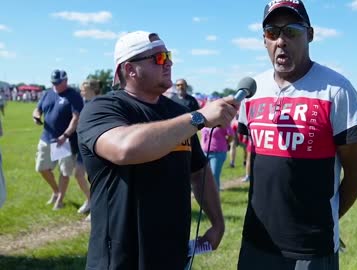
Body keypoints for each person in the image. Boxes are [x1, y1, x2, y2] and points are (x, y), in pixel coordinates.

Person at [77, 30, 238, 269]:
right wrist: (199, 117)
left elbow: (198, 171)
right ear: (130, 69)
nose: (169, 62)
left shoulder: (176, 113)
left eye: (168, 55)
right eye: (159, 58)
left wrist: (217, 222)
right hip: (121, 259)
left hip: (173, 255)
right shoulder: (101, 109)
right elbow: (125, 149)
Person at [236, 1, 357, 269]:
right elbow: (255, 157)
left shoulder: (337, 90)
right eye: (273, 32)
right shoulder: (252, 91)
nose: (281, 40)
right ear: (264, 40)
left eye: (292, 31)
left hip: (310, 248)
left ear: (310, 35)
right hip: (255, 241)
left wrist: (326, 219)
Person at [32, 69, 84, 210]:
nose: (55, 85)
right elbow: (38, 109)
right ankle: (56, 191)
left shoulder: (73, 95)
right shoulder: (48, 93)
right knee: (41, 168)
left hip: (64, 142)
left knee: (64, 172)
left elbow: (76, 118)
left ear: (65, 81)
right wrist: (36, 116)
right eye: (53, 82)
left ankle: (60, 200)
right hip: (46, 138)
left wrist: (65, 135)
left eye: (58, 82)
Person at [74, 79, 103, 216]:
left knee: (96, 179)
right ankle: (90, 200)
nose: (81, 92)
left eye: (83, 90)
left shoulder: (101, 104)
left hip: (97, 147)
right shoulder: (84, 103)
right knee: (78, 173)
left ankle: (97, 207)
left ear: (92, 90)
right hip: (84, 145)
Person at [201, 112, 235, 190]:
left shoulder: (223, 122)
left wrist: (226, 143)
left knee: (214, 175)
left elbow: (231, 135)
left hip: (218, 153)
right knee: (205, 175)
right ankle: (208, 193)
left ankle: (215, 197)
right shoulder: (204, 121)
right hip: (204, 152)